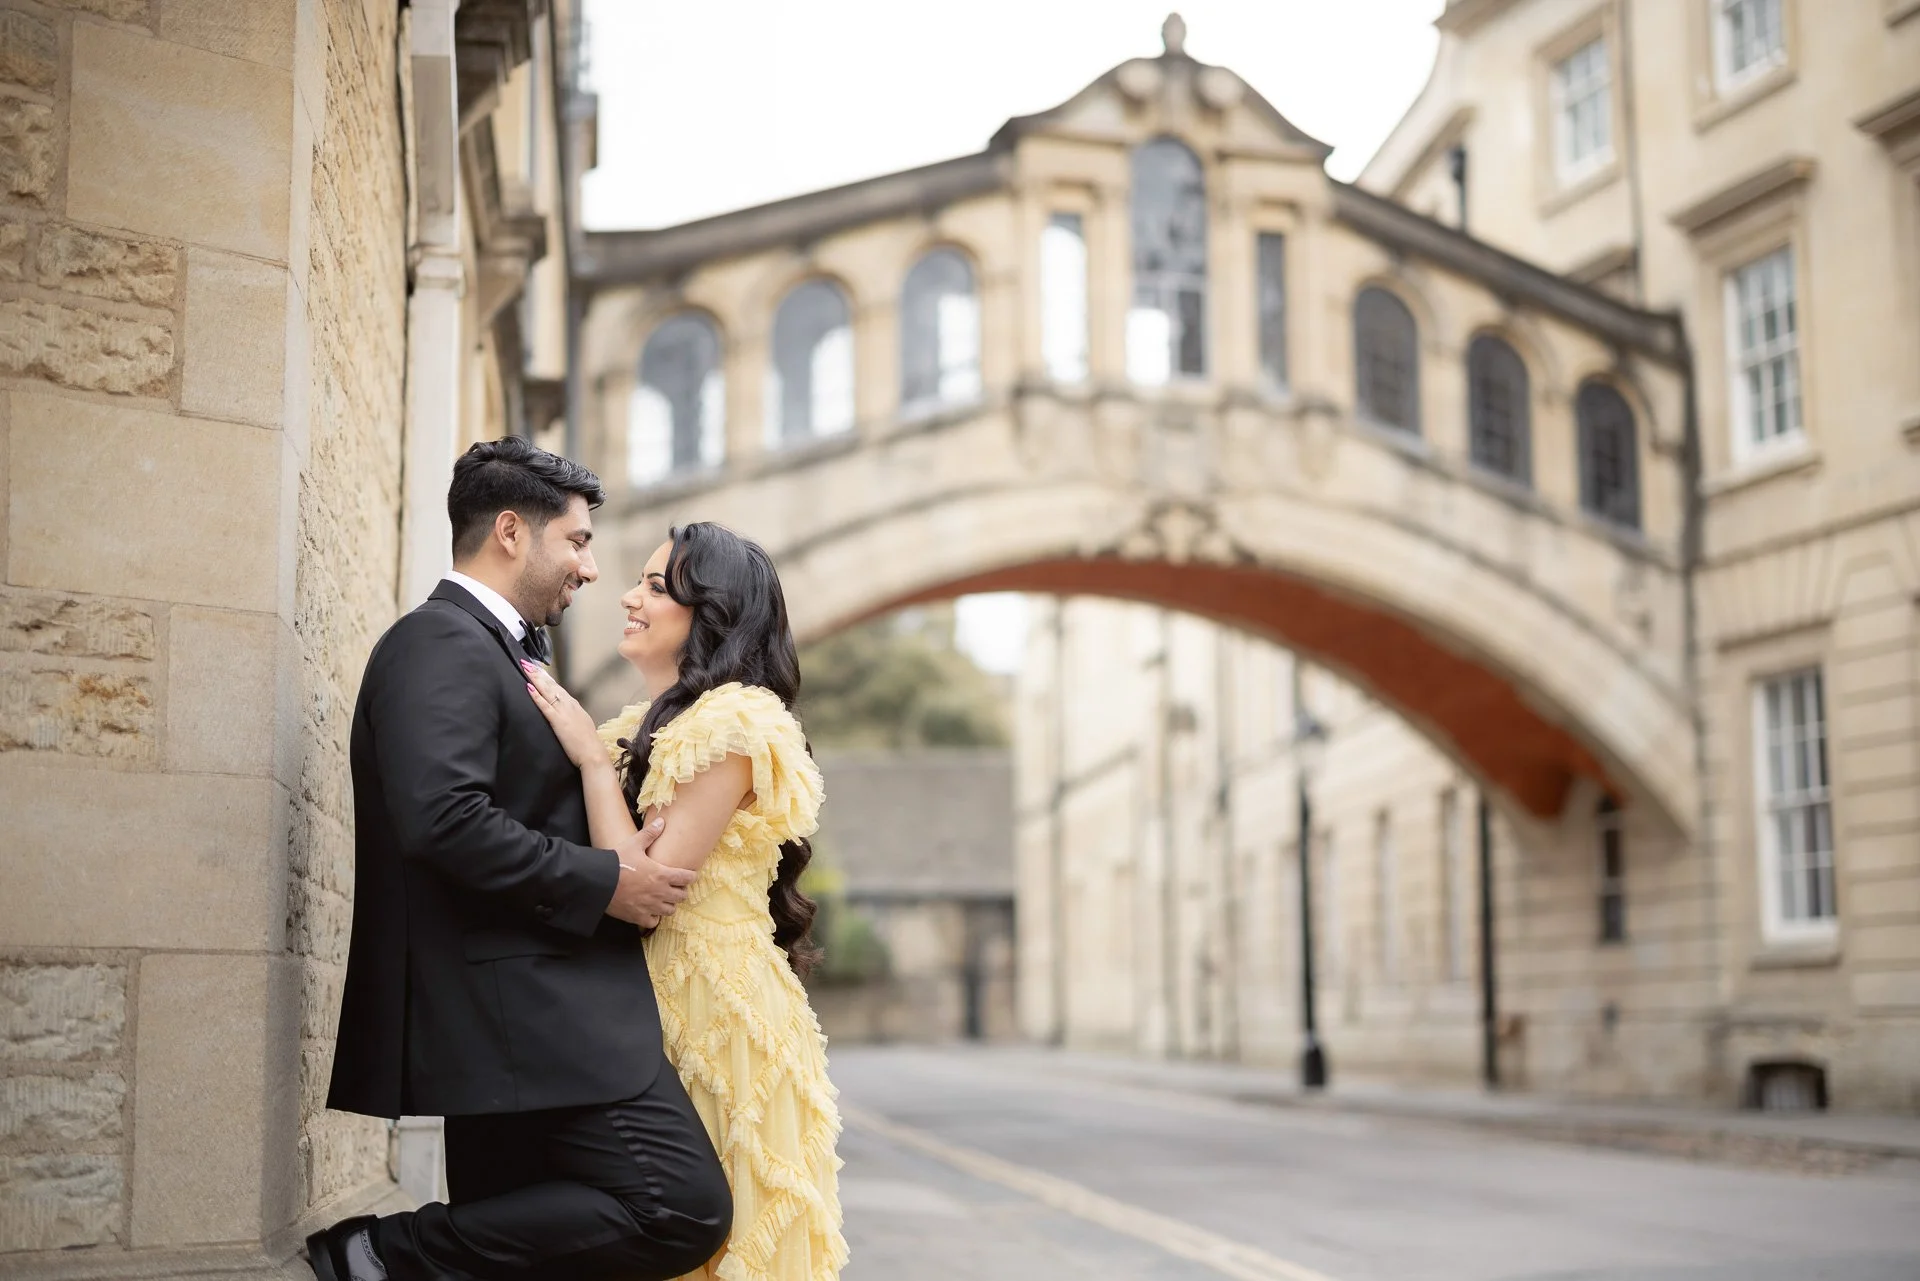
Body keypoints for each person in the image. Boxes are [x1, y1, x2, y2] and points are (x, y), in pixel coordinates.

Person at [308, 438, 733, 1281]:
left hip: (527, 1020)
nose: (588, 568)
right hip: (523, 1015)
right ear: (511, 531)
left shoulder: (502, 650)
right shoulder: (441, 642)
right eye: (576, 541)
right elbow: (443, 818)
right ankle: (374, 1253)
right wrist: (610, 881)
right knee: (683, 1206)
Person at [519, 521, 848, 1281]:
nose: (630, 597)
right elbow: (620, 869)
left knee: (719, 1241)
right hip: (641, 1002)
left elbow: (643, 891)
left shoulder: (735, 724)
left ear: (715, 613)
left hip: (719, 1011)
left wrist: (595, 770)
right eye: (641, 580)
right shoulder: (640, 727)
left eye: (658, 587)